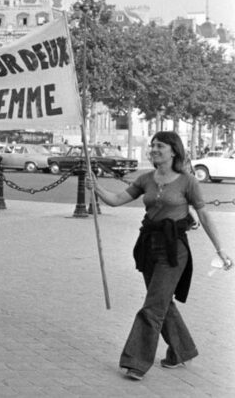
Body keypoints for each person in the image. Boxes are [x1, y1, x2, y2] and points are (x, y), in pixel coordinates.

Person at [87, 131, 232, 381]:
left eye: (160, 145)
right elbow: (116, 200)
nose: (154, 149)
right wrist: (96, 188)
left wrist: (221, 249)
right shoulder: (146, 179)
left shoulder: (188, 181)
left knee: (153, 306)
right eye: (152, 145)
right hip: (148, 247)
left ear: (173, 150)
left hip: (174, 250)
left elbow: (204, 215)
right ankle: (181, 350)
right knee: (162, 302)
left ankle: (136, 361)